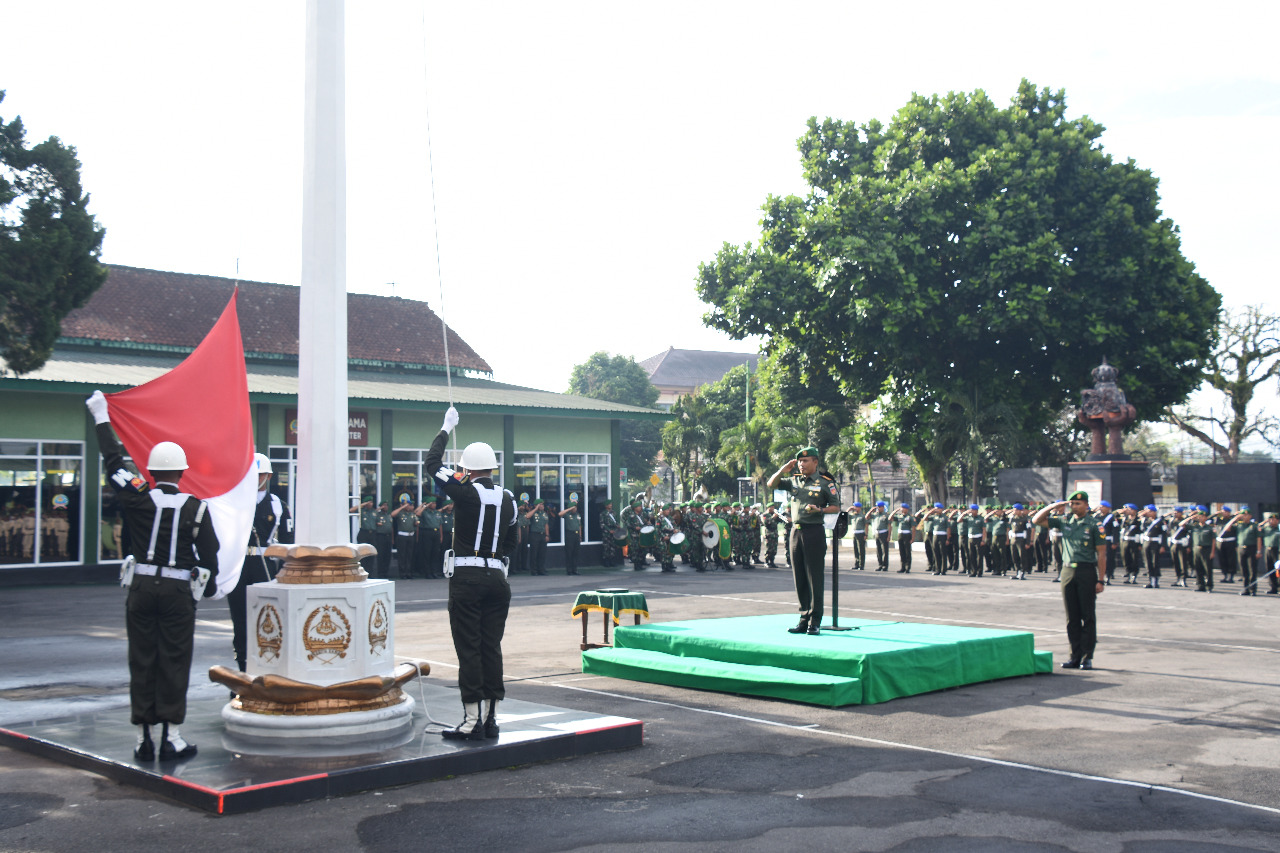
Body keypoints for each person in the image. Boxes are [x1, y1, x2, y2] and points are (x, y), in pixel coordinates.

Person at [86, 390, 222, 762]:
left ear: (151, 470)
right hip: (178, 590)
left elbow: (113, 462)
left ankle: (144, 737)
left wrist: (101, 416)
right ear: (181, 472)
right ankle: (172, 736)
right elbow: (210, 554)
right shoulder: (196, 508)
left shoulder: (138, 496)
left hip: (142, 587)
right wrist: (208, 588)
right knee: (174, 659)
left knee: (142, 657)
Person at [427, 406, 517, 740]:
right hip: (497, 580)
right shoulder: (508, 499)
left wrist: (446, 427)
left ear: (466, 469)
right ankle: (491, 719)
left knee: (469, 648)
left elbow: (432, 464)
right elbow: (511, 541)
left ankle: (470, 721)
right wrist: (495, 562)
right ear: (491, 469)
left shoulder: (463, 490)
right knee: (491, 647)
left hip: (466, 579)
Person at [229, 453, 293, 672]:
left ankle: (268, 668)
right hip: (240, 566)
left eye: (261, 475)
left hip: (265, 566)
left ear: (269, 476)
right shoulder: (235, 502)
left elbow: (287, 541)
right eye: (252, 475)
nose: (256, 479)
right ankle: (243, 670)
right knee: (240, 621)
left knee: (269, 620)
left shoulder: (278, 505)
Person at [766, 447, 840, 635]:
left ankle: (815, 621)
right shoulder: (794, 481)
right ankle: (803, 618)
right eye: (800, 461)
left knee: (814, 577)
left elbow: (835, 507)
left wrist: (820, 510)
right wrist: (783, 469)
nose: (801, 464)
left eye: (805, 461)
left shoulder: (825, 483)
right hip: (795, 532)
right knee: (799, 577)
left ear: (815, 462)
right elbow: (771, 484)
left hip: (814, 531)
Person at [1033, 491, 1106, 670]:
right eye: (1072, 503)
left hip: (1086, 570)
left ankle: (1088, 656)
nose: (1074, 507)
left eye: (1078, 504)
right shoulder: (1064, 520)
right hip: (1067, 570)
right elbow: (1036, 520)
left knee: (1087, 616)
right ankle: (1075, 656)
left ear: (1087, 505)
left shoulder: (1095, 524)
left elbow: (1102, 553)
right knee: (1071, 617)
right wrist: (1053, 506)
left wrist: (1101, 579)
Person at [391, 496, 418, 579]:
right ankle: (402, 573)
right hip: (402, 536)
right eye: (407, 505)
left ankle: (408, 572)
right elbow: (392, 514)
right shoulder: (400, 513)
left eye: (409, 505)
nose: (408, 506)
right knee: (402, 555)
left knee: (409, 555)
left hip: (410, 536)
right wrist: (402, 507)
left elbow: (416, 521)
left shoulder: (412, 514)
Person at [525, 498, 549, 575]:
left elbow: (546, 525)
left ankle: (541, 569)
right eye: (540, 504)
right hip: (534, 535)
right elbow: (527, 516)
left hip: (542, 535)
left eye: (542, 504)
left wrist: (547, 535)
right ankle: (534, 570)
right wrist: (535, 508)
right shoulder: (533, 512)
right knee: (534, 553)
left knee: (542, 553)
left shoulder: (544, 514)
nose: (542, 506)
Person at [559, 503, 581, 575]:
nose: (575, 509)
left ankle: (575, 569)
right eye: (573, 508)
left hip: (576, 534)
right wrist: (569, 509)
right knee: (569, 553)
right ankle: (569, 570)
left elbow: (579, 525)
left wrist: (580, 536)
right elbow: (560, 514)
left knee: (576, 553)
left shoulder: (578, 515)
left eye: (575, 507)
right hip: (570, 534)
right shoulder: (567, 514)